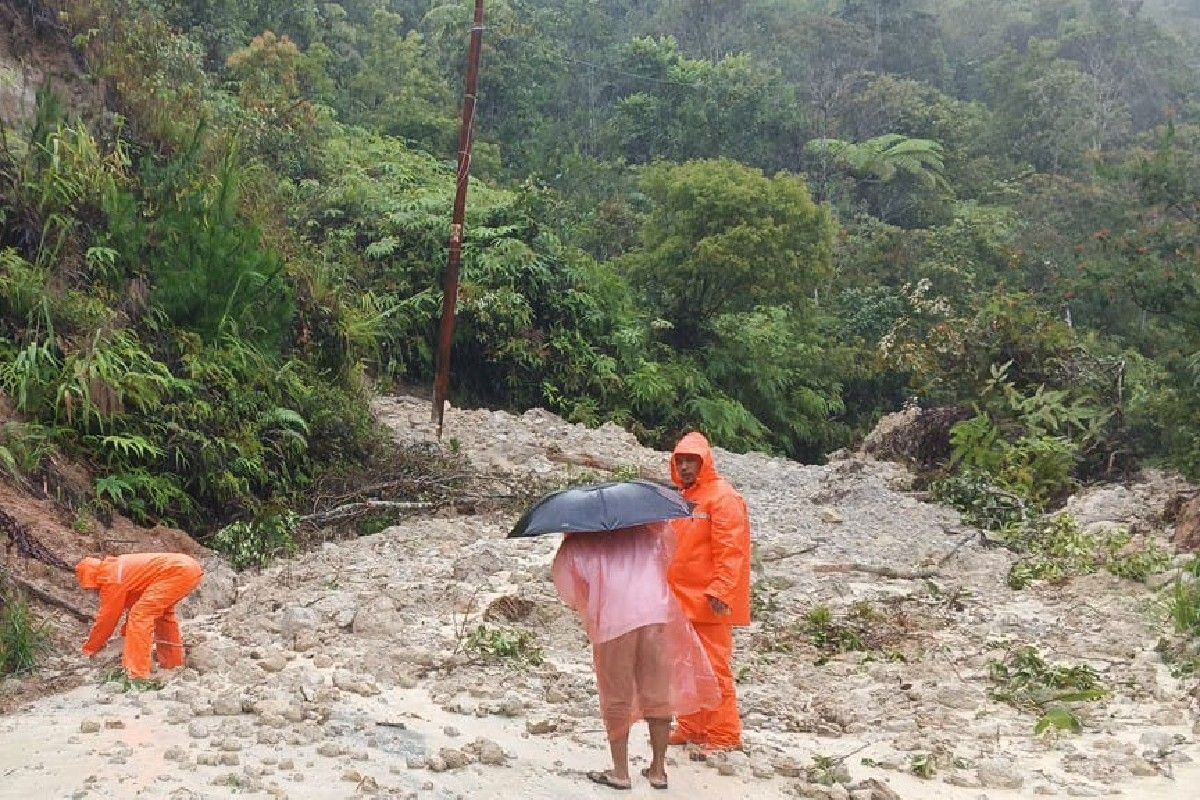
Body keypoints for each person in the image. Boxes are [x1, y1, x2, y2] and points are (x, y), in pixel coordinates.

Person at [552, 523, 720, 791]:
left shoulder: (579, 542)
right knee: (657, 691)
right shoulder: (649, 533)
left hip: (613, 620)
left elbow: (569, 589)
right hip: (655, 615)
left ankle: (620, 772)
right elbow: (667, 557)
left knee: (616, 695)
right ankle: (658, 770)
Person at [667, 431, 752, 752]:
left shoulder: (722, 497)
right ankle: (692, 726)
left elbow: (731, 549)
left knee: (714, 668)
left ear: (705, 462)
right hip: (680, 599)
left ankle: (724, 733)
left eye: (691, 461)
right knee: (684, 666)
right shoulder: (682, 498)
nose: (685, 467)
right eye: (680, 461)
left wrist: (722, 590)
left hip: (709, 601)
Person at [76, 552, 205, 682]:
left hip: (177, 571)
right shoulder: (118, 570)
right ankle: (173, 664)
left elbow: (107, 620)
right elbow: (134, 604)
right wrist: (125, 634)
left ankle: (137, 674)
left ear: (91, 577)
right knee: (162, 615)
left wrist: (90, 648)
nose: (94, 591)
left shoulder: (111, 578)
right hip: (187, 568)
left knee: (140, 615)